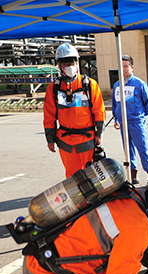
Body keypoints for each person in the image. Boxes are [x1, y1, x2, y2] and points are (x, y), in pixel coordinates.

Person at [44, 43, 106, 179]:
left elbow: (99, 111)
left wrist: (99, 134)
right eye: (65, 62)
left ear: (77, 62)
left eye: (71, 61)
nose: (69, 65)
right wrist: (50, 138)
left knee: (92, 174)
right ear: (59, 64)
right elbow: (49, 116)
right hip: (66, 140)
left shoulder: (89, 84)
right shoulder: (54, 87)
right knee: (72, 176)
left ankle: (93, 199)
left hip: (87, 138)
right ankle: (78, 199)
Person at [112, 55, 148, 187]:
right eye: (121, 66)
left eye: (126, 66)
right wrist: (116, 118)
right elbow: (115, 104)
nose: (123, 69)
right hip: (123, 122)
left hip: (136, 122)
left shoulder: (139, 84)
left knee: (142, 148)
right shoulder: (117, 85)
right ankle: (133, 175)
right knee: (127, 150)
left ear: (132, 67)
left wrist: (140, 115)